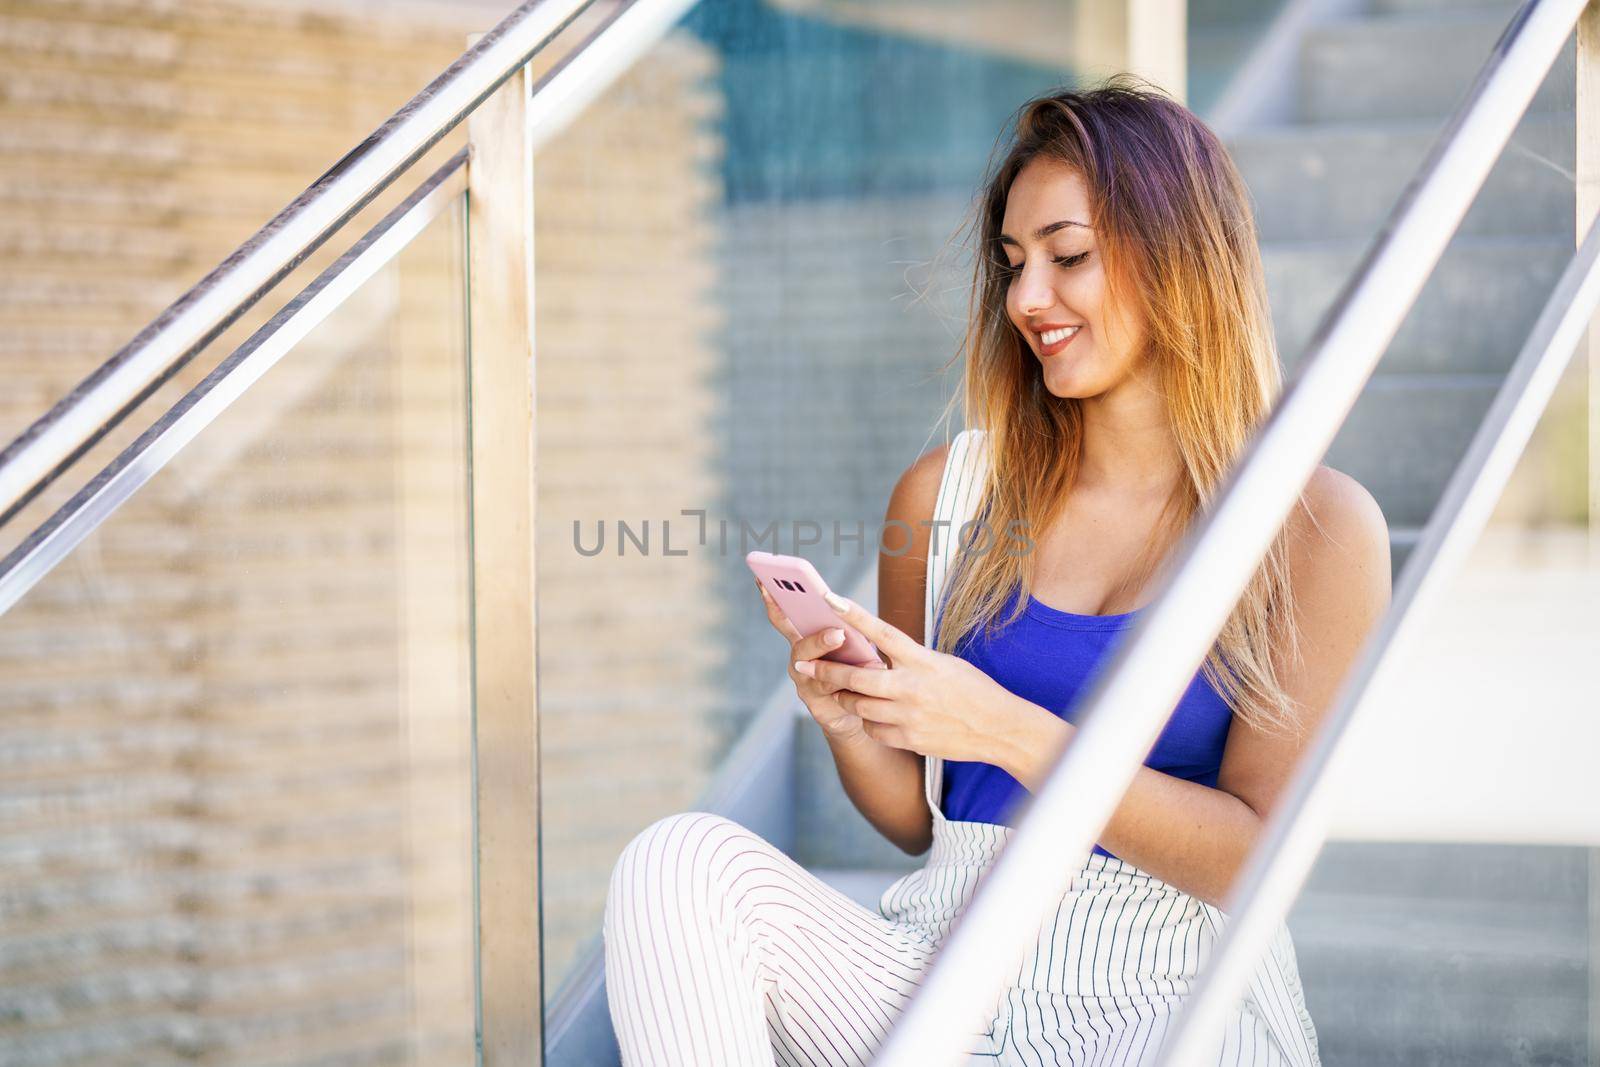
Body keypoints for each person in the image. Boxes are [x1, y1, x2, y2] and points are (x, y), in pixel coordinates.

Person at [603, 75, 1391, 1066]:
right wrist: (854, 724)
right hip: (943, 969)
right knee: (677, 862)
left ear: (1183, 259)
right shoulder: (946, 494)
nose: (1026, 298)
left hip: (1164, 996)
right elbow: (910, 819)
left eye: (1068, 257)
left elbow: (1255, 858)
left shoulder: (1313, 526)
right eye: (1013, 262)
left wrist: (1001, 726)